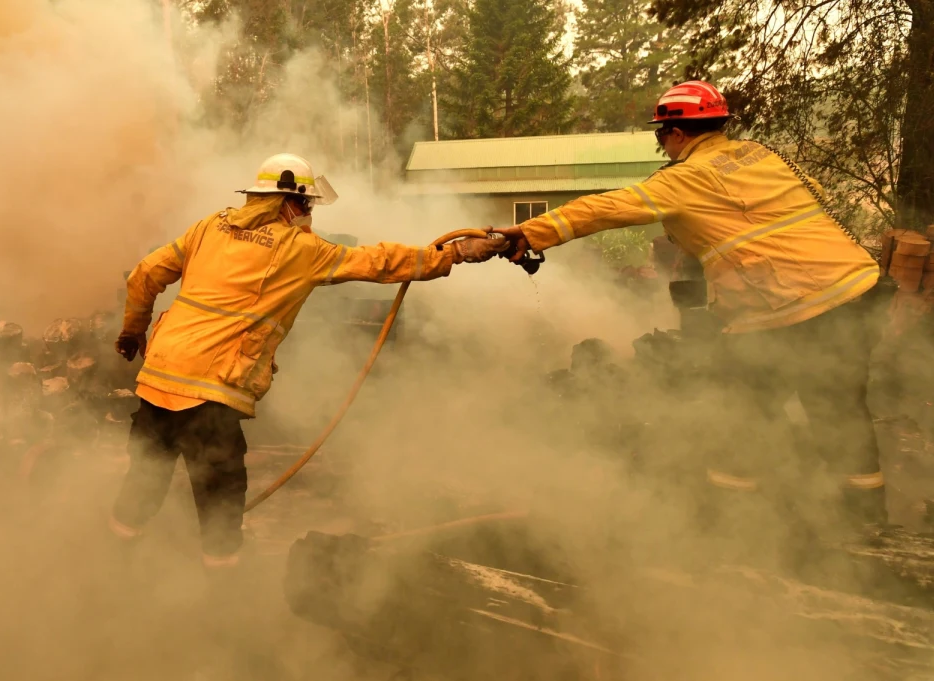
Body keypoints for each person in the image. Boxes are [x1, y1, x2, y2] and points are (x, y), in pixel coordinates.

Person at [493, 81, 888, 531]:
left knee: (737, 414)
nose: (662, 145)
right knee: (841, 412)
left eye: (661, 135)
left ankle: (737, 526)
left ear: (677, 132)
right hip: (853, 293)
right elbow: (809, 191)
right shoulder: (761, 156)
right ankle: (868, 526)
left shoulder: (686, 177)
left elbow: (609, 208)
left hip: (786, 307)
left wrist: (530, 233)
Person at [109, 153, 508, 568]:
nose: (309, 213)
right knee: (220, 504)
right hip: (211, 392)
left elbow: (144, 275)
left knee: (142, 482)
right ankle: (222, 594)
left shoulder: (208, 227)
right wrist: (455, 253)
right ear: (290, 203)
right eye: (307, 205)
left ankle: (116, 563)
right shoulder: (301, 249)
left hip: (158, 379)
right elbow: (378, 261)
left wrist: (132, 331)